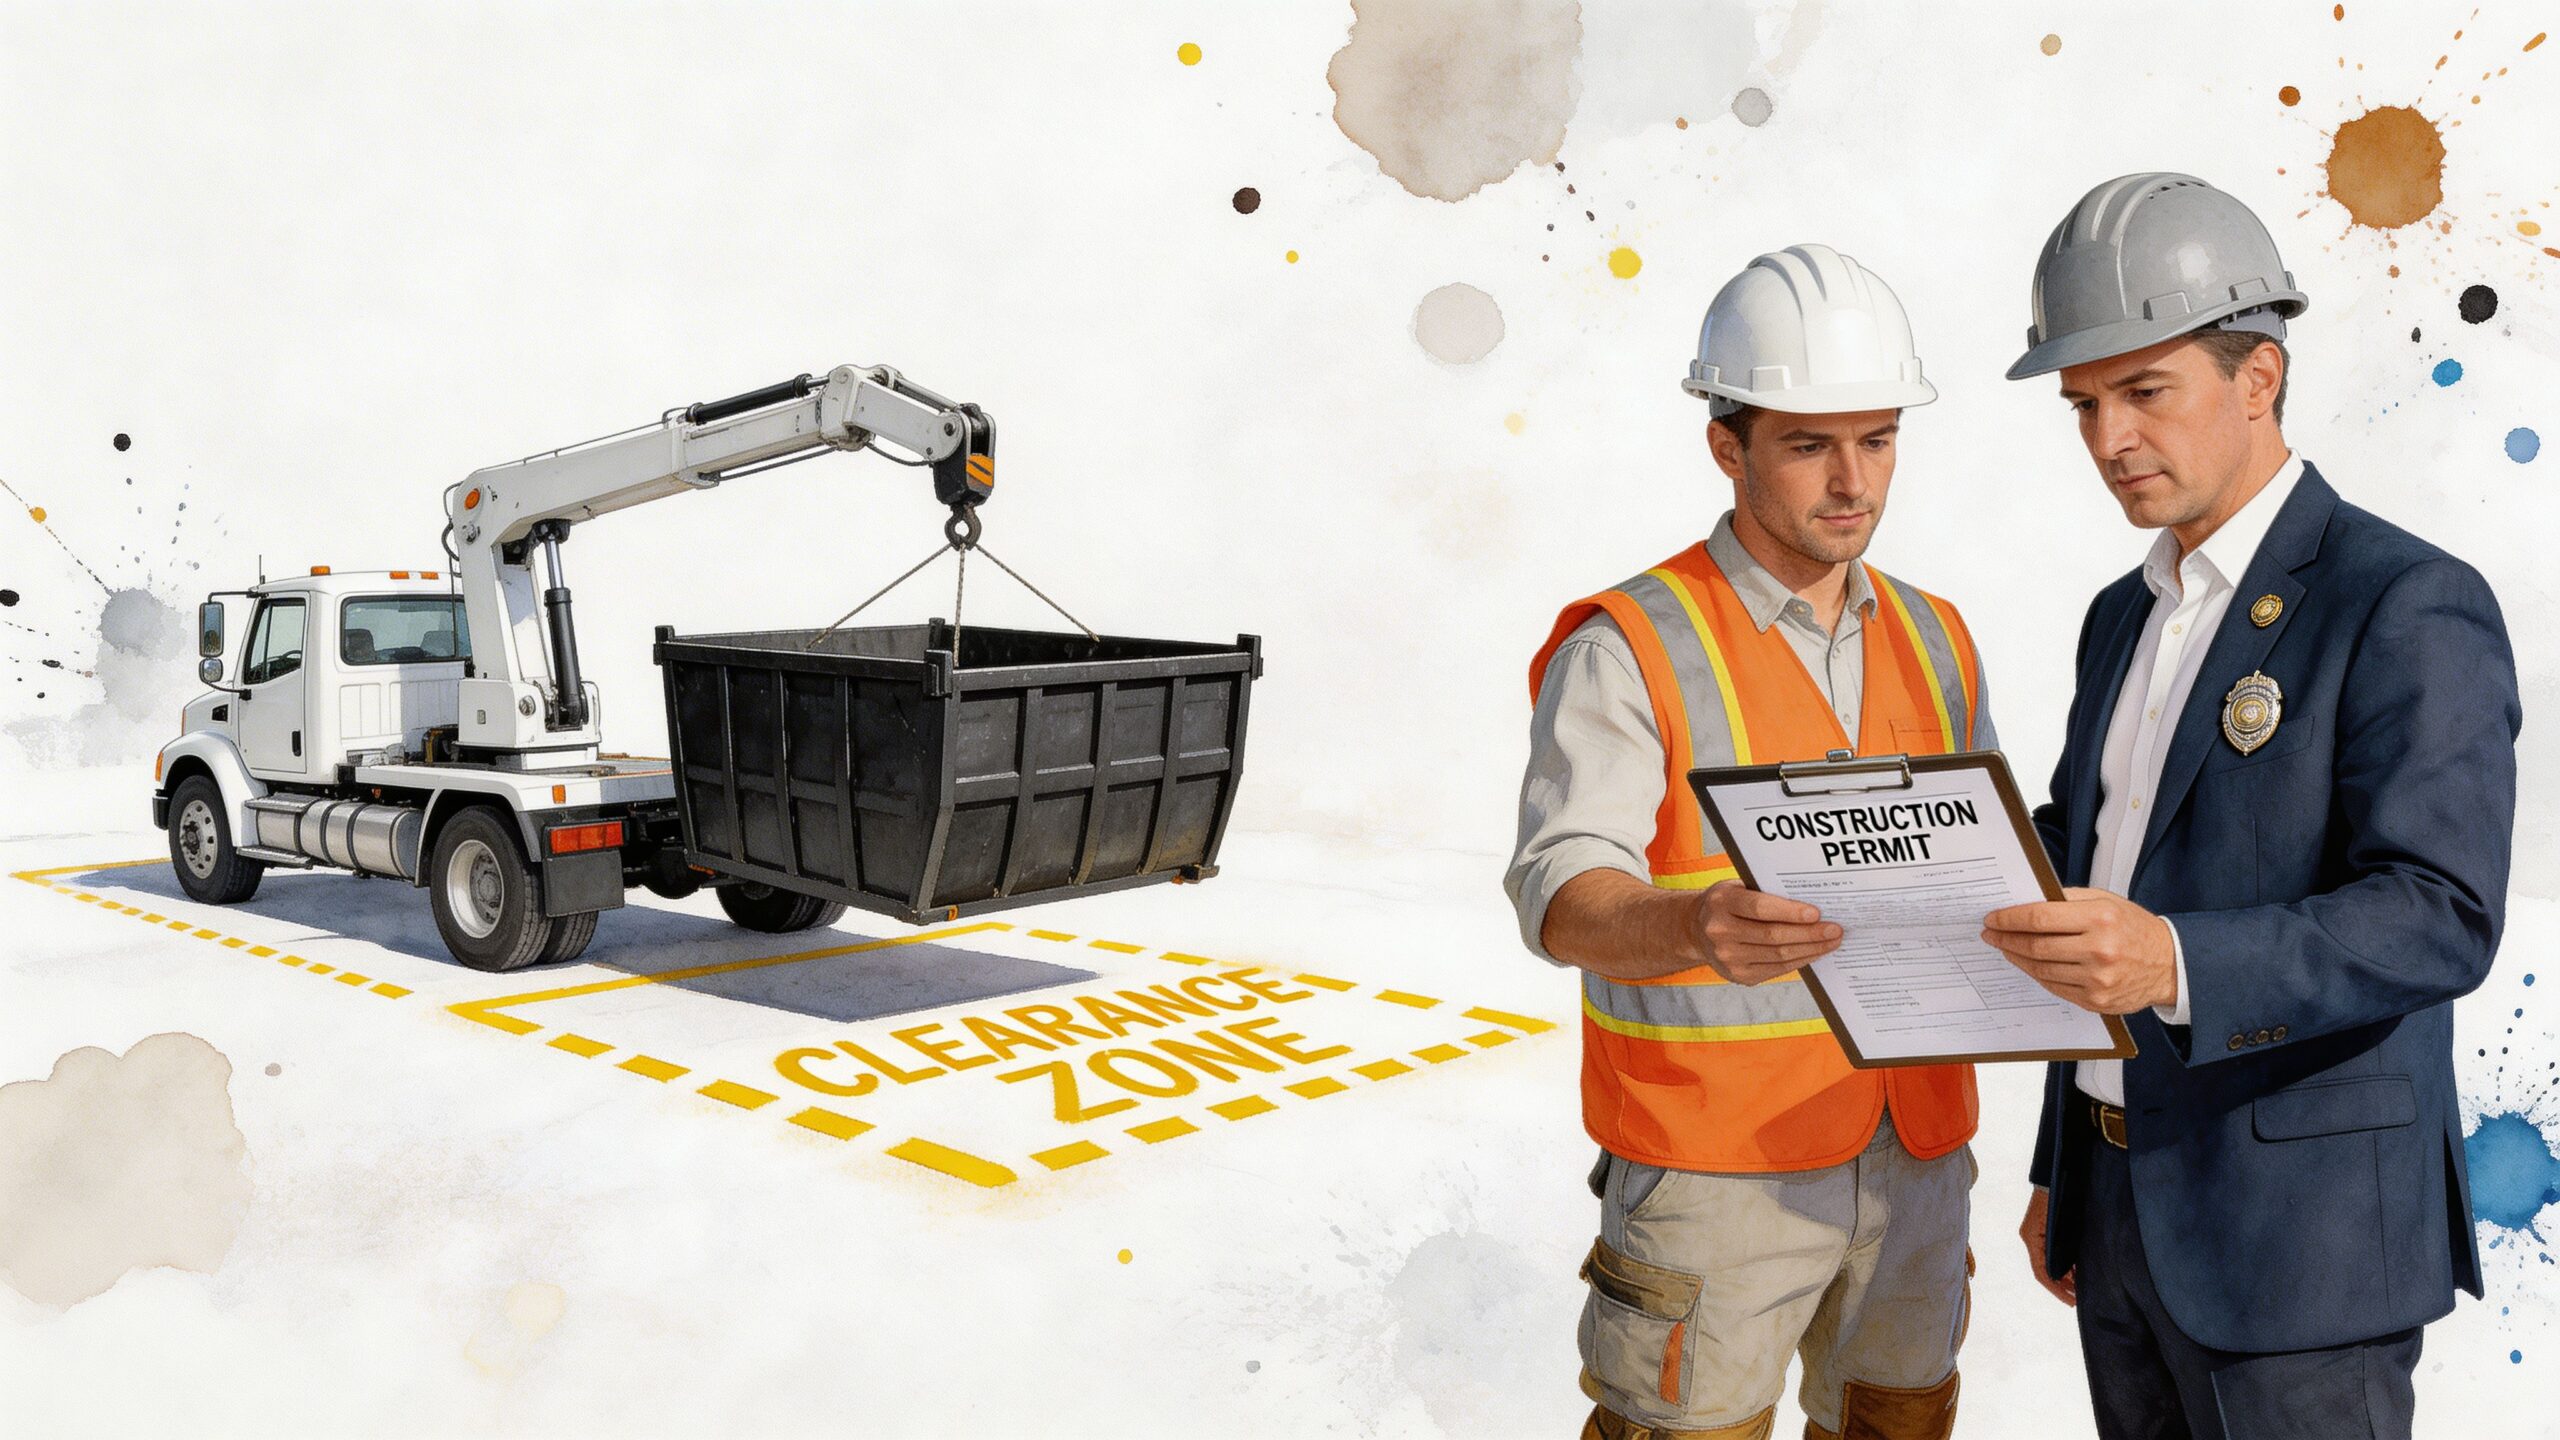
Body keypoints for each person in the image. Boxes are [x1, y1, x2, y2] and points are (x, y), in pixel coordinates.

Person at [1983, 172, 2518, 1439]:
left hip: (2303, 1252)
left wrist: (2171, 958)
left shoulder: (2404, 602)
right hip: (2118, 1221)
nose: (2108, 437)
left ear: (2259, 378)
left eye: (2143, 391)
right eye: (2084, 404)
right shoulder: (2123, 615)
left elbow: (2440, 915)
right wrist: (2066, 1169)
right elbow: (2087, 858)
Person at [1507, 243, 1993, 1440]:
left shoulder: (1939, 638)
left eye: (1876, 439)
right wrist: (1692, 924)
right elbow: (1558, 891)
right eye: (1807, 443)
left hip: (1919, 1155)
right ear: (1726, 446)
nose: (1852, 481)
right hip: (1712, 1177)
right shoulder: (1630, 644)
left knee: (1899, 1424)